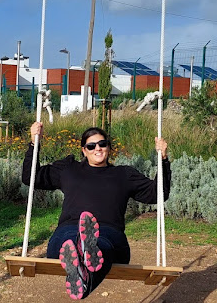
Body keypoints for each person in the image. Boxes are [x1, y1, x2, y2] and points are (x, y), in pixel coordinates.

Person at [22, 121, 171, 300]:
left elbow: (158, 193)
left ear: (109, 147)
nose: (97, 149)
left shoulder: (123, 175)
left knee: (101, 242)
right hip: (70, 228)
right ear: (84, 151)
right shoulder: (69, 169)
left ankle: (85, 254)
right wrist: (34, 143)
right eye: (91, 146)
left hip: (109, 232)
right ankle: (82, 254)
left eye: (102, 144)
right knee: (68, 239)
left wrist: (163, 159)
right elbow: (31, 177)